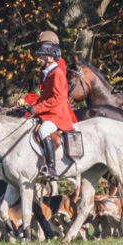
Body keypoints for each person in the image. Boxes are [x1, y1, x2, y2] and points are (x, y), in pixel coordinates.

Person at [24, 40, 77, 179]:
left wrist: (36, 108)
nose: (39, 59)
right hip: (49, 113)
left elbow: (57, 99)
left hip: (57, 114)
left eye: (42, 56)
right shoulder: (48, 73)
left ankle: (51, 168)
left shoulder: (57, 74)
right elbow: (42, 93)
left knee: (43, 130)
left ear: (50, 57)